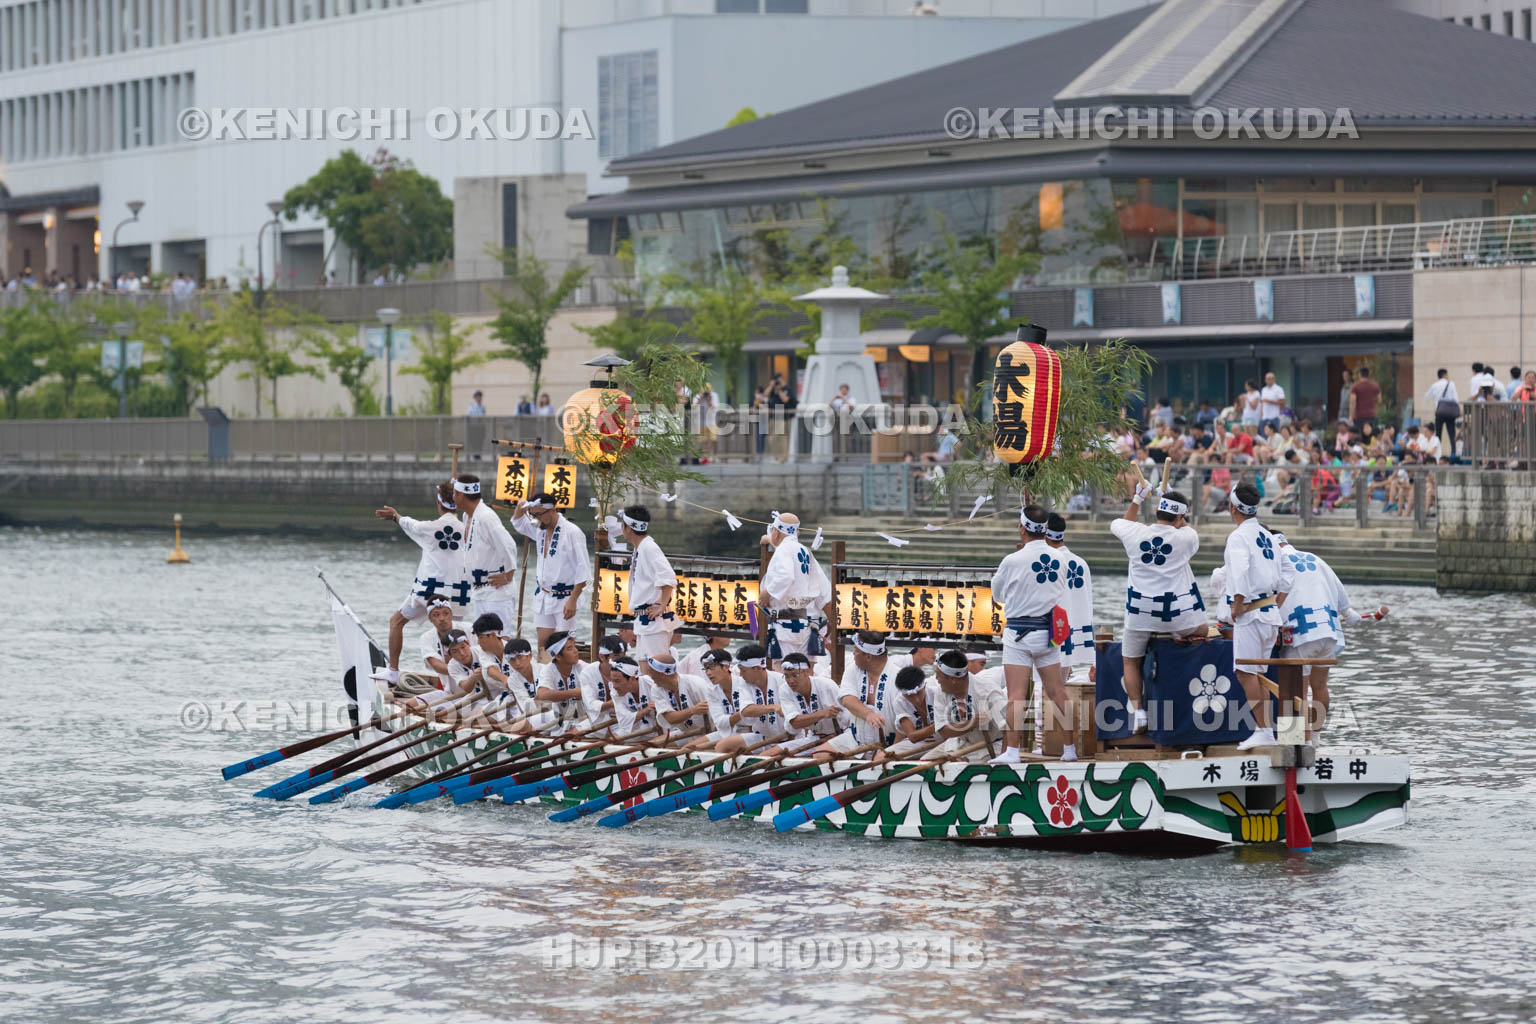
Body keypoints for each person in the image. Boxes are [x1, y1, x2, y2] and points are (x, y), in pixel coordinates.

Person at [1110, 484, 1204, 734]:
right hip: (1176, 615)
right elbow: (1185, 527)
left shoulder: (1135, 533)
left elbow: (1121, 523)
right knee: (1206, 630)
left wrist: (1138, 500)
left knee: (1130, 661)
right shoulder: (1187, 537)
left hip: (1140, 614)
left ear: (1157, 513)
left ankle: (1138, 711)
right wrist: (1172, 500)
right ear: (1181, 516)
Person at [1273, 533, 1388, 738]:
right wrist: (1347, 612)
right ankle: (1316, 738)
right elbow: (1337, 587)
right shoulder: (1314, 558)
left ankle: (1297, 742)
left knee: (1297, 691)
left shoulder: (1276, 563)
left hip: (1301, 631)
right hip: (1327, 630)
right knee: (1320, 687)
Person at [989, 505, 1071, 764]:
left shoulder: (1011, 560)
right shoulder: (1061, 558)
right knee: (1058, 692)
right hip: (1049, 633)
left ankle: (1012, 751)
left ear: (1022, 528)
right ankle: (1070, 749)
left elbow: (997, 595)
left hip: (1019, 634)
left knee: (1016, 695)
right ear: (1045, 530)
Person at [1222, 482, 1296, 750]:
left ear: (1233, 508)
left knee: (1245, 672)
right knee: (1257, 673)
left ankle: (1263, 729)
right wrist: (1276, 602)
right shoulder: (1268, 535)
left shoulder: (1239, 536)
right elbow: (1289, 573)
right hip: (1269, 613)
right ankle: (1265, 730)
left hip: (1252, 614)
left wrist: (1237, 604)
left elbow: (1240, 571)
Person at [374, 481, 467, 679]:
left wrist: (395, 516)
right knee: (453, 637)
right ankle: (458, 678)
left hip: (429, 591)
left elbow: (410, 524)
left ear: (439, 504)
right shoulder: (467, 529)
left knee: (396, 622)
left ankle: (393, 671)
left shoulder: (430, 528)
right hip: (459, 593)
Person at [506, 491, 591, 650]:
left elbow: (583, 571)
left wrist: (573, 600)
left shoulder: (572, 532)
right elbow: (518, 522)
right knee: (543, 645)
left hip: (566, 597)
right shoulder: (540, 528)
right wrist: (521, 506)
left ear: (553, 510)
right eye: (532, 515)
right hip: (544, 595)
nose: (535, 519)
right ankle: (545, 674)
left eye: (538, 514)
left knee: (565, 646)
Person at [820, 631, 914, 760]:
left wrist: (891, 751)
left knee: (880, 760)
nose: (853, 654)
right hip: (855, 738)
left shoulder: (898, 678)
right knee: (821, 753)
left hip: (890, 741)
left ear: (868, 656)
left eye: (856, 651)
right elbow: (847, 698)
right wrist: (868, 714)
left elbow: (904, 724)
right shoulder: (853, 669)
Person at [759, 511, 833, 666]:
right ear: (797, 533)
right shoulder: (806, 553)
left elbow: (785, 576)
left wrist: (767, 593)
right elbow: (824, 592)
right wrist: (832, 621)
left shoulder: (783, 551)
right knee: (806, 671)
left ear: (776, 532)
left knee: (783, 670)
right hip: (808, 624)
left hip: (785, 624)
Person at [454, 474, 520, 639]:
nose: (453, 497)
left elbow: (509, 544)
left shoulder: (486, 517)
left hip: (496, 590)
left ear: (461, 495)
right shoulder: (467, 515)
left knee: (499, 638)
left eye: (455, 493)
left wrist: (508, 575)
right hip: (478, 589)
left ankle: (504, 665)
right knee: (482, 639)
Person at [618, 505, 678, 658]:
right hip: (645, 620)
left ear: (628, 528)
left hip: (654, 621)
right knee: (645, 671)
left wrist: (661, 605)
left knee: (655, 672)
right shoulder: (641, 547)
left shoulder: (649, 548)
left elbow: (668, 577)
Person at [932, 650, 1006, 759]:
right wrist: (970, 724)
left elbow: (1010, 730)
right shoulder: (941, 691)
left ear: (952, 679)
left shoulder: (988, 691)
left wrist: (1004, 763)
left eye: (938, 675)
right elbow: (943, 731)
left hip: (990, 747)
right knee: (924, 761)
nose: (936, 679)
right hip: (959, 743)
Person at [772, 652, 847, 744]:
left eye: (795, 675)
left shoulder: (827, 685)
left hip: (840, 736)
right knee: (772, 753)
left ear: (807, 672)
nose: (791, 681)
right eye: (787, 676)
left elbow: (847, 718)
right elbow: (794, 723)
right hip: (814, 737)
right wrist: (822, 713)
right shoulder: (785, 689)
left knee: (818, 755)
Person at [642, 649, 713, 740]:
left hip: (709, 732)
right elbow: (669, 718)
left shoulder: (697, 684)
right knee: (653, 744)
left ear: (662, 674)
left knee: (688, 748)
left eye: (651, 673)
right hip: (687, 732)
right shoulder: (656, 689)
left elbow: (716, 715)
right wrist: (693, 710)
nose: (649, 676)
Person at [534, 630, 589, 730]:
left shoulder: (582, 667)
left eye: (574, 646)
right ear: (558, 656)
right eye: (570, 648)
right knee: (525, 724)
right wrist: (574, 693)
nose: (575, 651)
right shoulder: (548, 670)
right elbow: (542, 695)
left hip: (582, 717)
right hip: (558, 717)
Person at [418, 597, 468, 689]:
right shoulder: (426, 638)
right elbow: (436, 665)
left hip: (475, 685)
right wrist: (463, 670)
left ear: (452, 614)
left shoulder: (469, 628)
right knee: (410, 703)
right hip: (449, 690)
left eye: (446, 613)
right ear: (430, 618)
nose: (442, 618)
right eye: (436, 615)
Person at [604, 656, 658, 737]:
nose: (614, 686)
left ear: (632, 679)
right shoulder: (615, 691)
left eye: (617, 681)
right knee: (613, 738)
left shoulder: (651, 684)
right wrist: (645, 710)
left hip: (658, 729)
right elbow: (624, 721)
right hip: (636, 728)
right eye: (612, 680)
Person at [1425, 368, 1460, 453]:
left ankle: (1437, 453)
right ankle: (1453, 453)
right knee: (1452, 434)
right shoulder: (1451, 384)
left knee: (1438, 434)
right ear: (1445, 375)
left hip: (1439, 411)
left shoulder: (1435, 385)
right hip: (1449, 412)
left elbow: (1427, 396)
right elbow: (1456, 399)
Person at [1349, 366, 1382, 431]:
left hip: (1359, 417)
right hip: (1371, 416)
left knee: (1360, 436)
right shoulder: (1375, 386)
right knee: (1371, 436)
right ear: (1368, 374)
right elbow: (1380, 400)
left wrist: (1351, 417)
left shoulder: (1355, 387)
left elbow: (1353, 402)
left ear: (1360, 374)